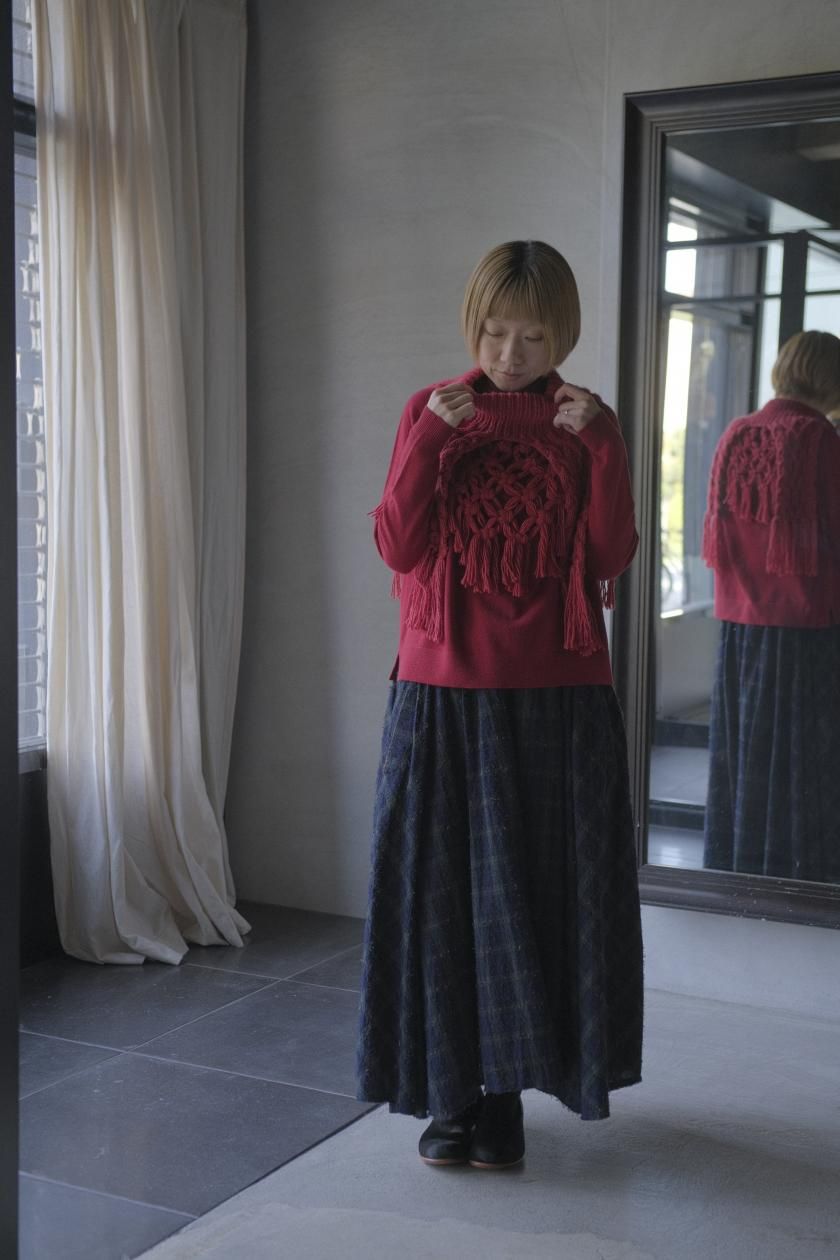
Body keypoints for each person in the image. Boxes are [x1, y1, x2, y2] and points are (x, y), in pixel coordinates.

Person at [356, 240, 643, 1170]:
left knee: (539, 897)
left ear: (564, 335)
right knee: (441, 899)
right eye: (492, 332)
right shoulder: (430, 409)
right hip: (441, 690)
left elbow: (609, 558)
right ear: (471, 325)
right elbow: (399, 547)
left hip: (557, 695)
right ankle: (451, 1094)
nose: (510, 355)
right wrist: (430, 444)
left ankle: (507, 1099)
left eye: (532, 336)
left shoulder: (586, 422)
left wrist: (602, 446)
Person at [702, 330, 840, 883]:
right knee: (803, 756)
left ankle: (740, 863)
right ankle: (804, 873)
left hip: (739, 628)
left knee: (745, 753)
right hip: (807, 628)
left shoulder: (736, 433)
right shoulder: (821, 439)